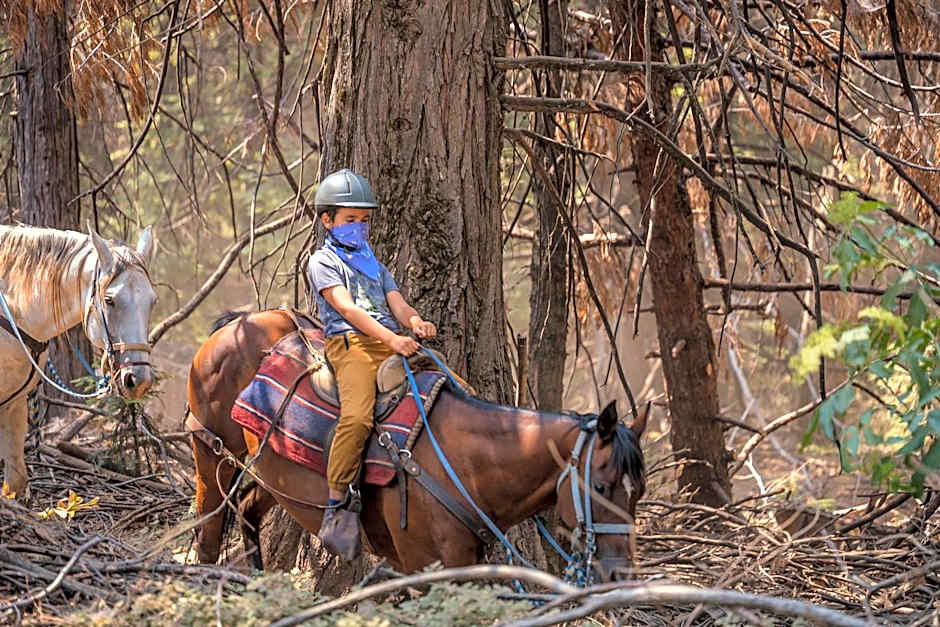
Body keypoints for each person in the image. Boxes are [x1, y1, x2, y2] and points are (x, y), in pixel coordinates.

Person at [307, 168, 437, 560]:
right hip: (351, 346)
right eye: (350, 220)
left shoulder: (374, 264)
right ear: (327, 221)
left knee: (445, 382)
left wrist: (414, 321)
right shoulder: (322, 261)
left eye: (364, 221)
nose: (359, 228)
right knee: (359, 417)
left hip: (387, 341)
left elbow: (396, 302)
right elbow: (345, 308)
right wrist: (392, 339)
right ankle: (336, 505)